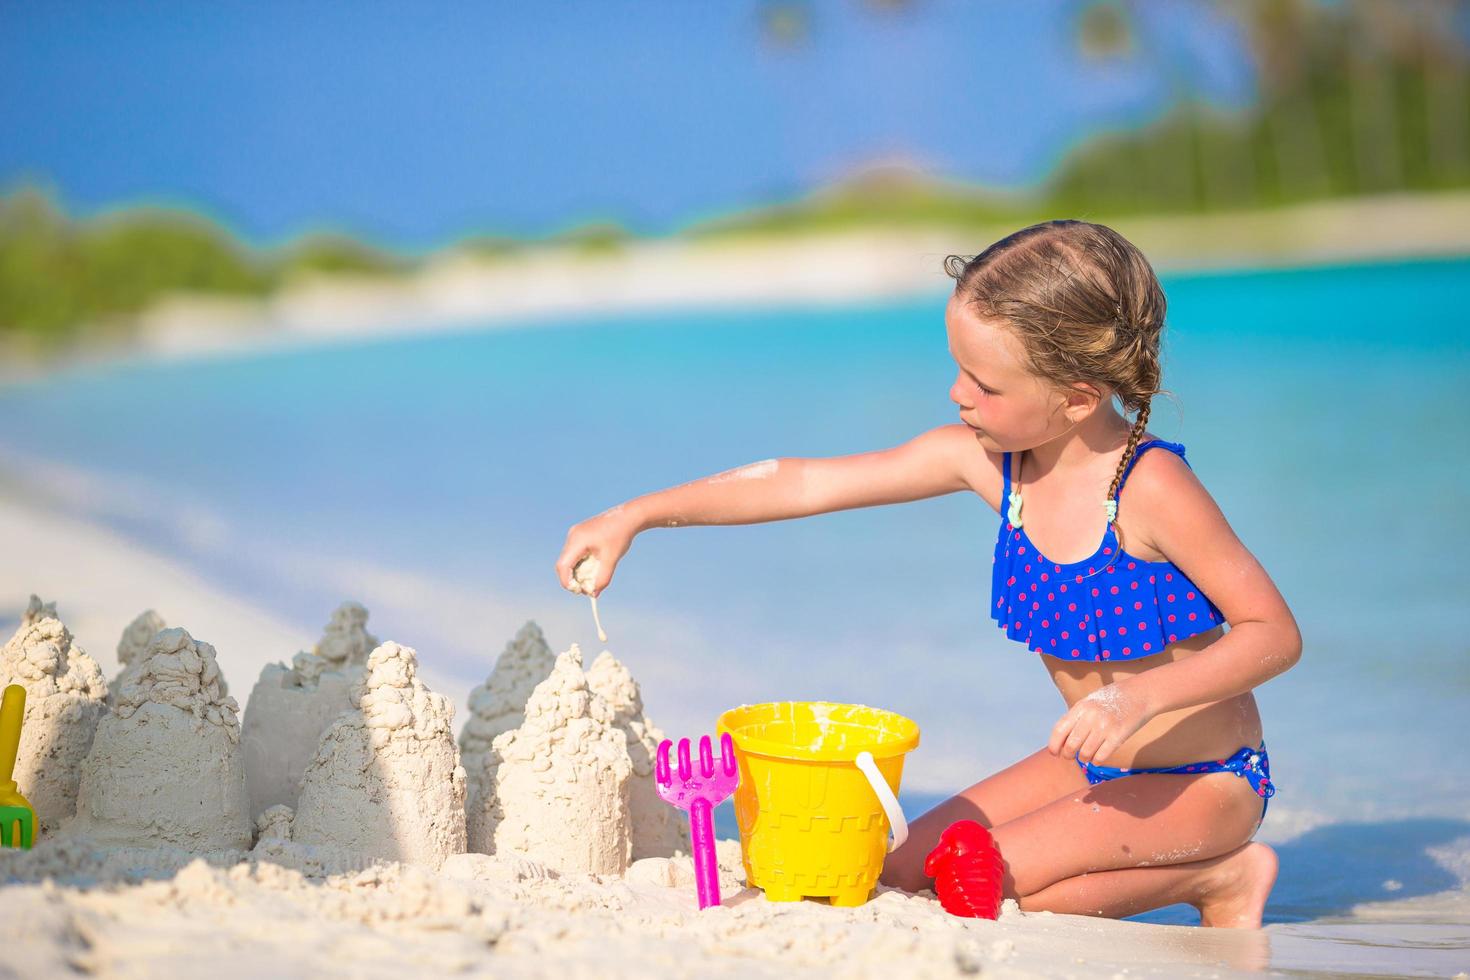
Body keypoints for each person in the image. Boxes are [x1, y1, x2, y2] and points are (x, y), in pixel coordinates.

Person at [555, 219, 1300, 928]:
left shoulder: (1150, 488)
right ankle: (1201, 877)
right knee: (891, 868)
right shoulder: (988, 464)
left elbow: (1274, 634)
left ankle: (1219, 875)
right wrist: (637, 514)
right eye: (958, 370)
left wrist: (1139, 698)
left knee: (967, 883)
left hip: (1207, 781)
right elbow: (806, 482)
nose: (957, 393)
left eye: (985, 384)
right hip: (1085, 768)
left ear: (1075, 397)